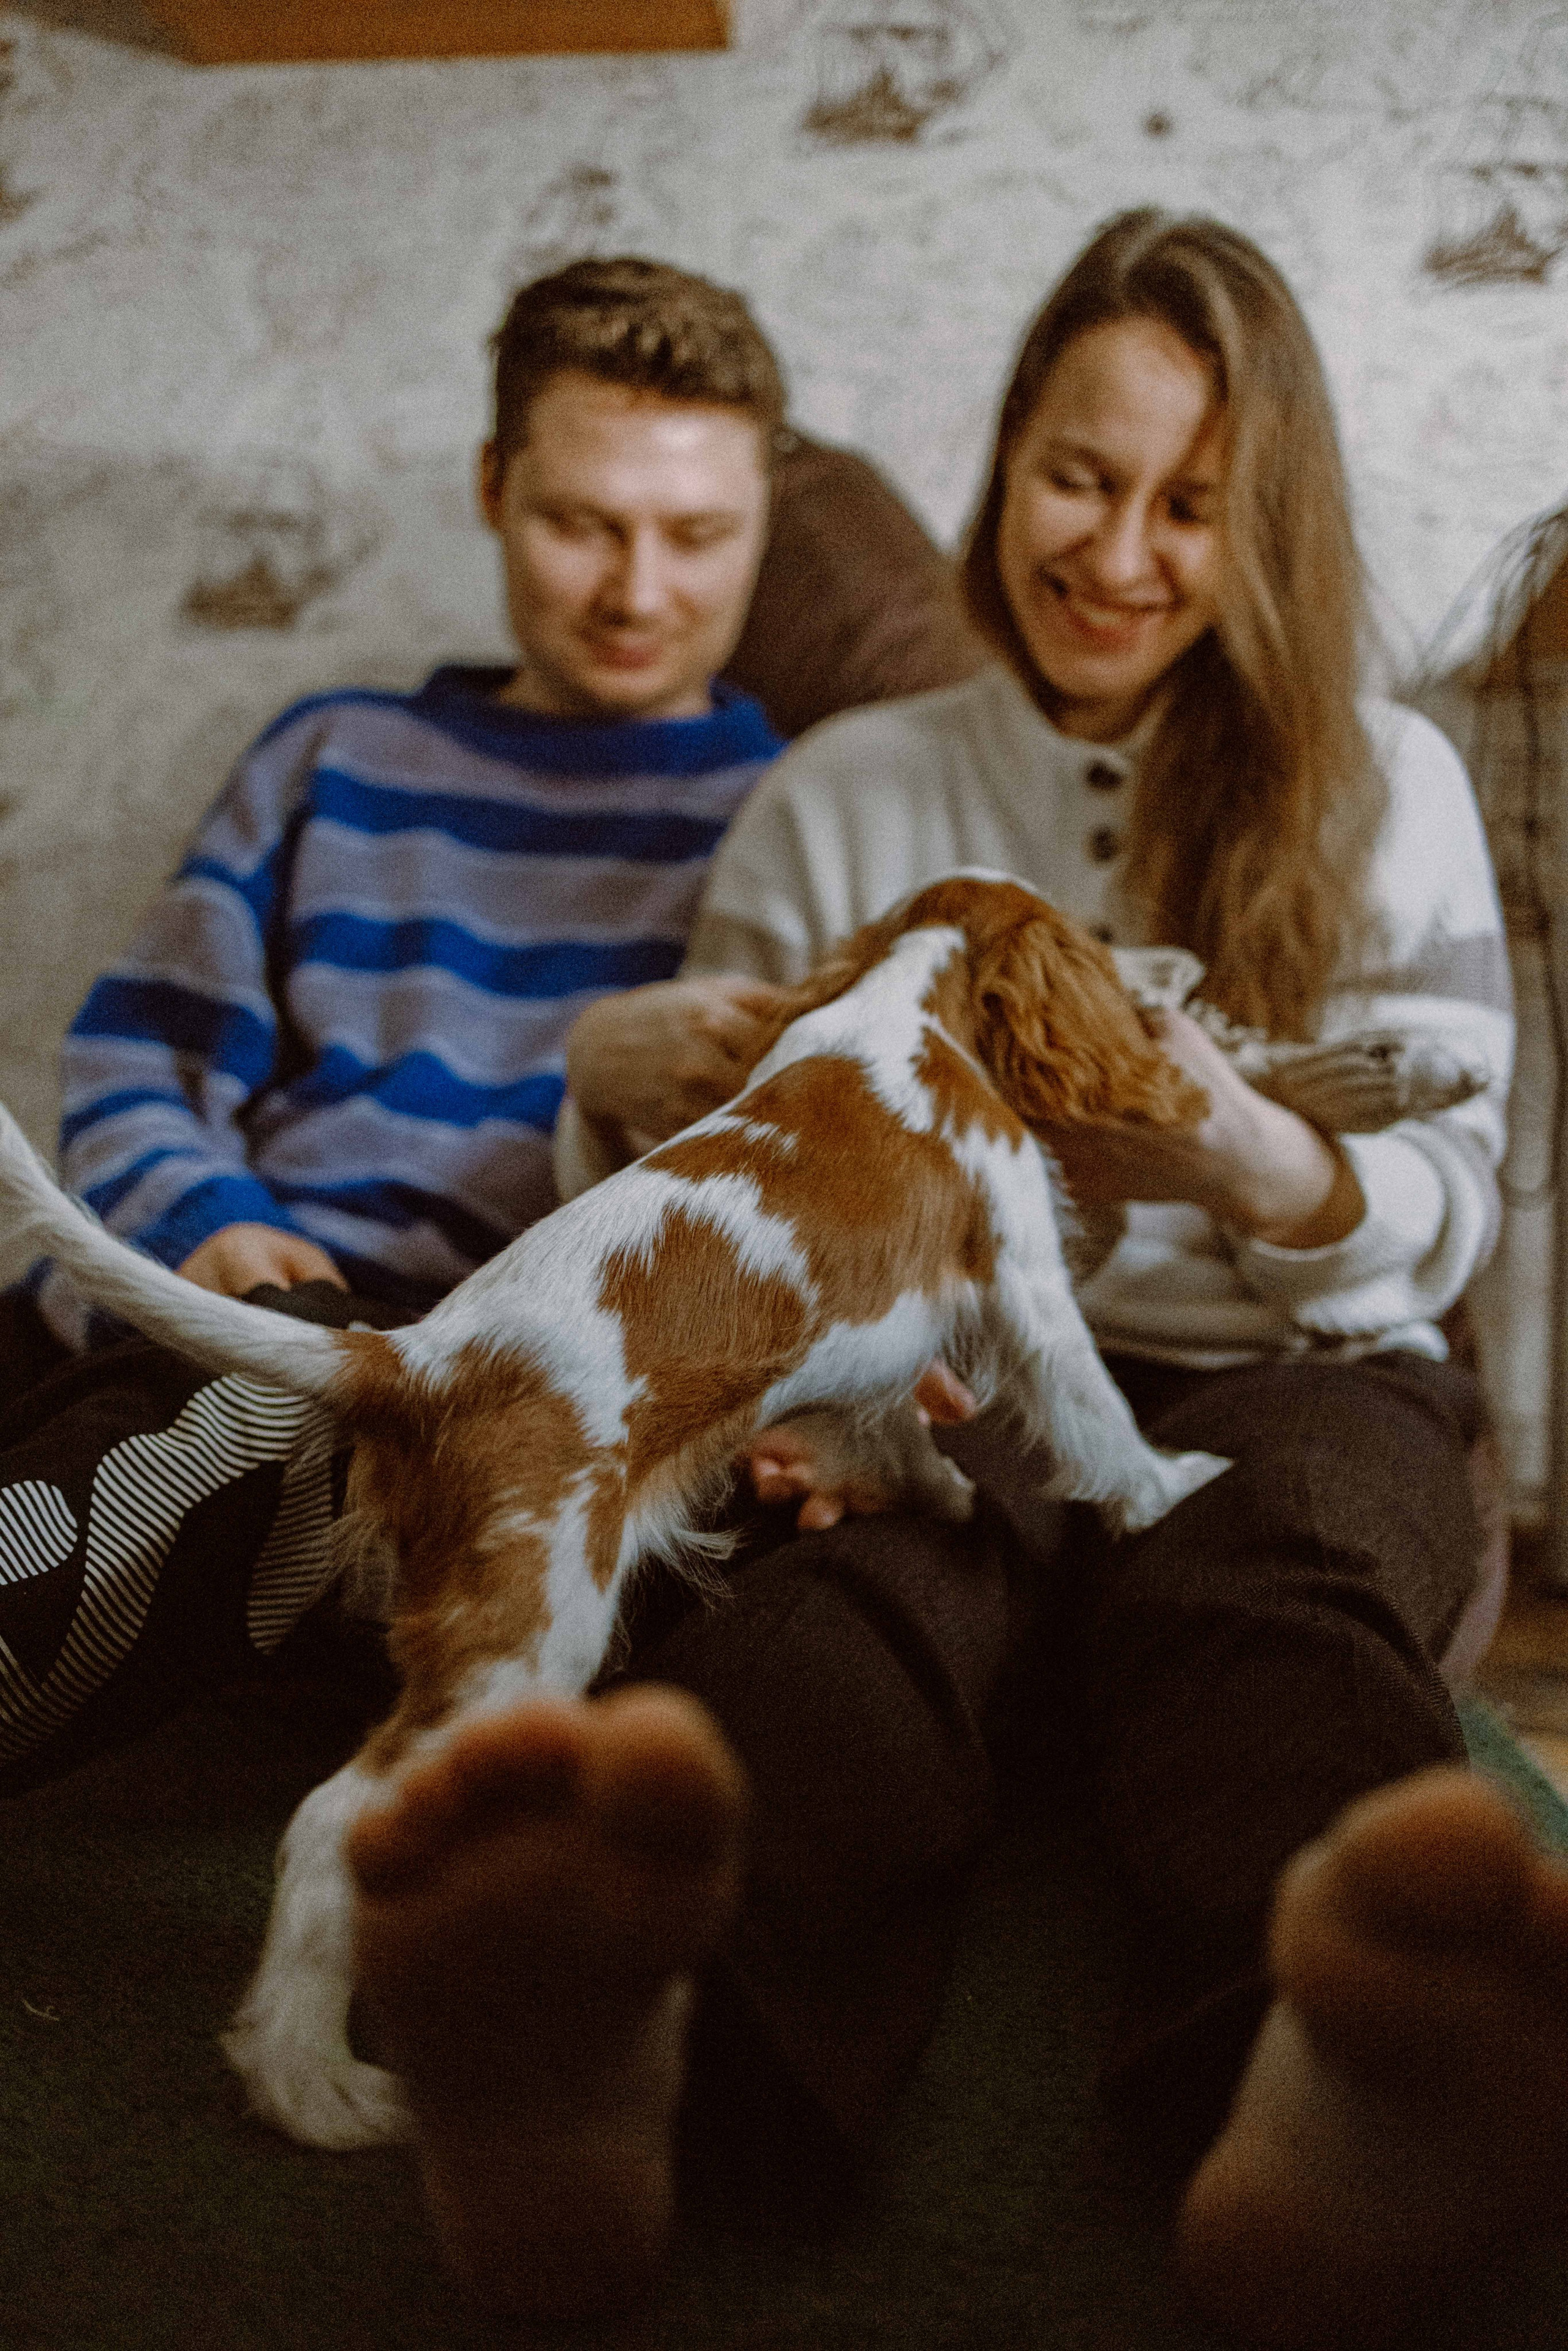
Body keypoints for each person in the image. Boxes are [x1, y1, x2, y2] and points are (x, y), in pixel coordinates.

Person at [341, 211, 1568, 2346]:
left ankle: (1335, 2078)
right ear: (1005, 467)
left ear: (1263, 527)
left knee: (1277, 1597)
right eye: (1076, 476)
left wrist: (1235, 1142)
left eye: (1191, 504)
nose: (1116, 549)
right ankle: (627, 2053)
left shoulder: (1390, 786)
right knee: (842, 1613)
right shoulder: (844, 791)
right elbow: (710, 1201)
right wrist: (612, 1081)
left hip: (1303, 1365)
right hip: (936, 1379)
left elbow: (1456, 1191)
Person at [0, 256, 790, 1788]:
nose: (637, 590)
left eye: (698, 536)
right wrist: (214, 1226)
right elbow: (137, 1060)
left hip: (472, 1387)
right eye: (581, 523)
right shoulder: (335, 755)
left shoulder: (796, 812)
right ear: (493, 486)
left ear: (764, 518)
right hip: (215, 1297)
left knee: (283, 1416)